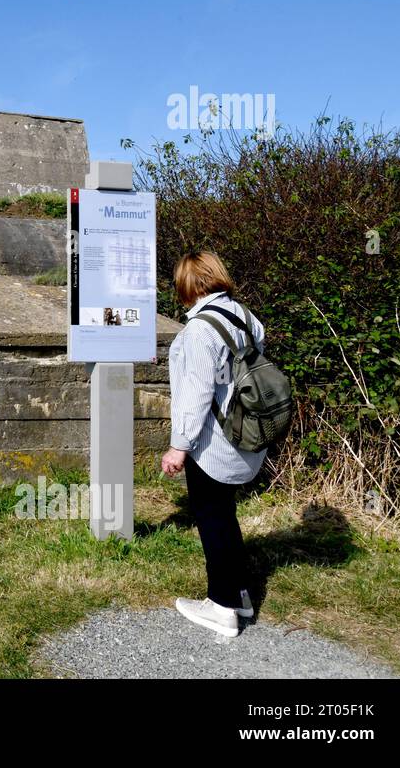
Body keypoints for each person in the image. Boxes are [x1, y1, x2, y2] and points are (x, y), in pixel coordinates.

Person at [161, 251, 266, 638]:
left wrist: (179, 446)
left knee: (211, 518)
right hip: (247, 436)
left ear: (190, 285)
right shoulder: (244, 317)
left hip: (214, 443)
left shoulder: (201, 329)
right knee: (225, 515)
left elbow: (197, 393)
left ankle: (221, 606)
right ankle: (239, 594)